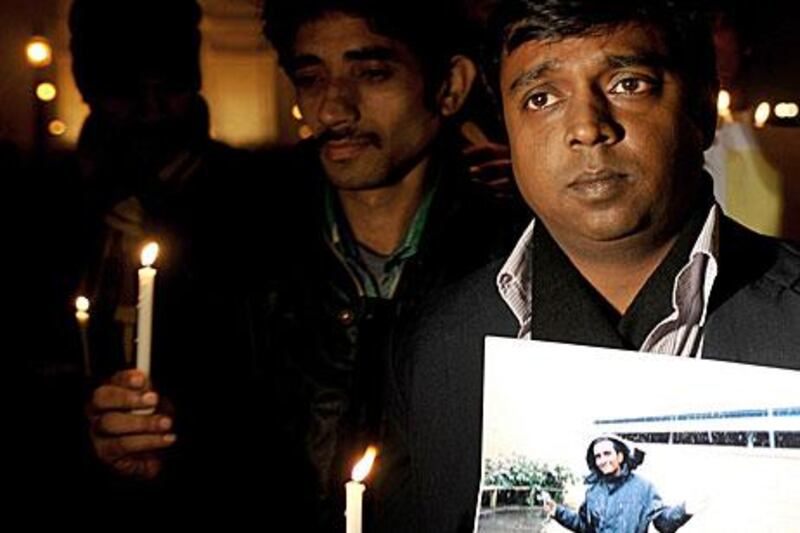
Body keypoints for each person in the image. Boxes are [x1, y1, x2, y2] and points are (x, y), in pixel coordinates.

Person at [86, 0, 524, 528]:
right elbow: (187, 442)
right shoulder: (227, 245)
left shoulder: (514, 254)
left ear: (450, 85)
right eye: (311, 78)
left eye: (372, 73)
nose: (334, 109)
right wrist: (135, 448)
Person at [377, 0, 800, 530]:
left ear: (699, 107)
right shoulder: (436, 345)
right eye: (541, 97)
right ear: (506, 129)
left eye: (628, 84)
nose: (587, 127)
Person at [543, 435, 691, 533]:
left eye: (607, 454)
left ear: (620, 456)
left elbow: (663, 523)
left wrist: (684, 510)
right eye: (598, 456)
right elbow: (584, 526)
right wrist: (557, 511)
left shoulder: (644, 489)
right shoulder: (593, 492)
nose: (602, 460)